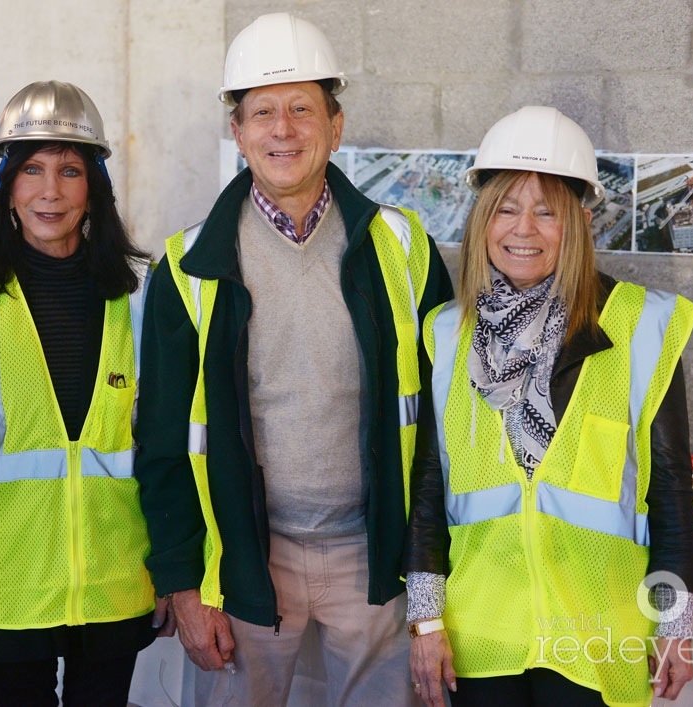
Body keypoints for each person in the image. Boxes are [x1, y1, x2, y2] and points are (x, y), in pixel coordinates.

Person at [135, 12, 453, 706]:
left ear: (335, 127)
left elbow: (442, 427)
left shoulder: (401, 248)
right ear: (238, 131)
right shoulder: (189, 268)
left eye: (302, 109)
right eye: (263, 113)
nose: (284, 130)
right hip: (247, 558)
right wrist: (187, 588)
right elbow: (161, 447)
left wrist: (427, 576)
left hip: (373, 557)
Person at [405, 105, 693, 707]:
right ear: (483, 218)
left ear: (581, 221)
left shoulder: (643, 325)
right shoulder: (446, 332)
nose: (524, 229)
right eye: (506, 208)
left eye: (546, 211)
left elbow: (669, 492)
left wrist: (676, 623)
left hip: (597, 636)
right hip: (482, 633)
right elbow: (430, 487)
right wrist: (426, 622)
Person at [0, 80, 170, 707]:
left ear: (95, 190)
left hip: (117, 577)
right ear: (6, 184)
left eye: (70, 170)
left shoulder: (144, 293)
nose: (50, 191)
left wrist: (174, 569)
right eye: (31, 169)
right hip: (8, 581)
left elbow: (166, 447)